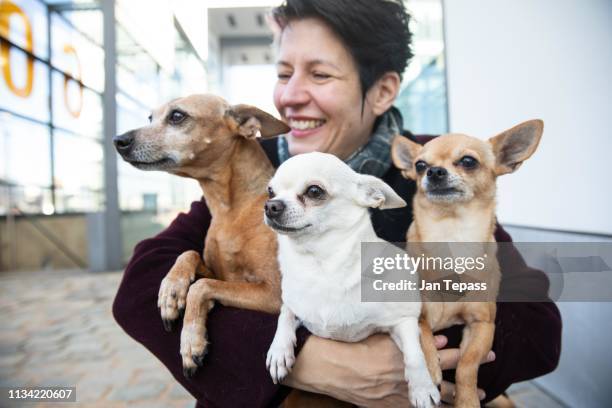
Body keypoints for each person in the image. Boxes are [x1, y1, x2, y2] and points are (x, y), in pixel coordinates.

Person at [112, 0, 561, 406]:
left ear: (383, 90)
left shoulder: (435, 171)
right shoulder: (256, 168)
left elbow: (534, 324)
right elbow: (138, 288)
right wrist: (312, 361)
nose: (289, 96)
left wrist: (410, 362)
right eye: (284, 73)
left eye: (320, 74)